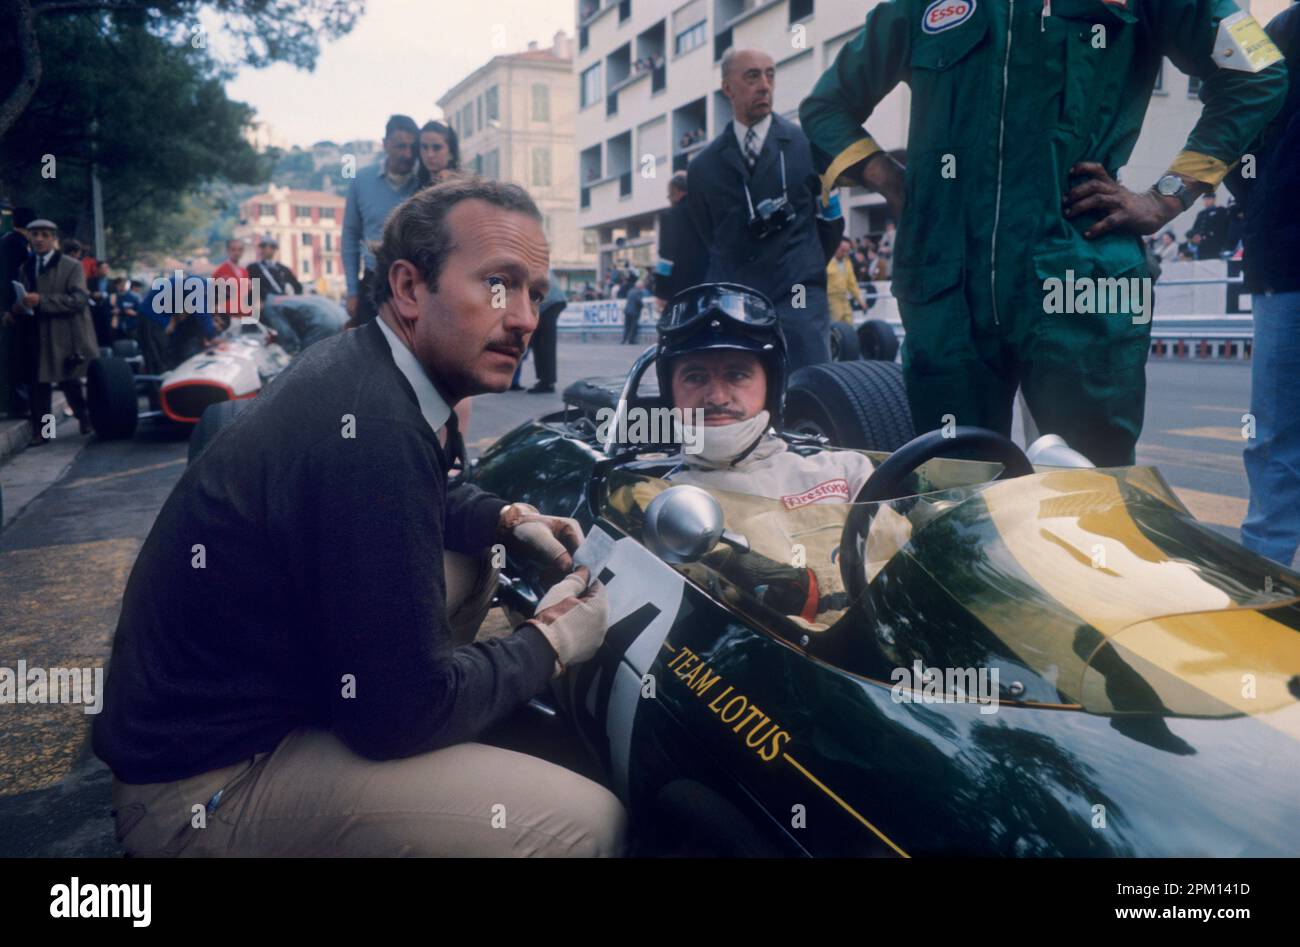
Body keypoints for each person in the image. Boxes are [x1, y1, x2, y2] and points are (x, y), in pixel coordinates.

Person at [92, 177, 623, 858]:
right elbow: (394, 717)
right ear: (408, 288)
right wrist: (550, 641)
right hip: (200, 792)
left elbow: (427, 498)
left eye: (536, 293)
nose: (523, 317)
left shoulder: (364, 368)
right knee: (589, 823)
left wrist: (508, 516)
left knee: (478, 553)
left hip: (235, 718)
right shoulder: (374, 428)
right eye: (499, 284)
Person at [800, 0, 1286, 466]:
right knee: (949, 487)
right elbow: (825, 107)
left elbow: (1257, 69)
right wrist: (890, 180)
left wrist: (1166, 195)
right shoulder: (918, 5)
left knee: (1090, 494)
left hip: (1085, 274)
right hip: (944, 280)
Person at [656, 282, 874, 628]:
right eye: (695, 377)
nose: (716, 397)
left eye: (737, 374)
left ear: (771, 386)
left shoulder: (847, 471)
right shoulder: (656, 502)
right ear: (671, 393)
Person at [683, 47, 841, 371]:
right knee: (743, 400)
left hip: (799, 295)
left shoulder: (808, 147)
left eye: (770, 74)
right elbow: (705, 234)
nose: (765, 85)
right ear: (728, 88)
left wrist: (802, 266)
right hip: (734, 300)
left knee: (810, 391)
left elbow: (831, 223)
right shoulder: (703, 167)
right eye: (752, 75)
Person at [1236, 0, 1300, 567]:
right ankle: (1264, 588)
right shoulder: (1278, 31)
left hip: (1284, 258)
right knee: (1276, 438)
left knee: (1276, 436)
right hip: (1289, 261)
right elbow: (1236, 123)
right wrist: (1265, 205)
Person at [10, 219, 97, 443]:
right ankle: (44, 432)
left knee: (70, 383)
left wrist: (43, 300)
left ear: (53, 239)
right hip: (34, 334)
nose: (38, 239)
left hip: (63, 335)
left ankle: (84, 417)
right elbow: (26, 298)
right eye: (34, 234)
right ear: (28, 237)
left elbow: (79, 300)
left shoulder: (71, 266)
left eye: (44, 235)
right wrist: (20, 305)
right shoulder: (25, 267)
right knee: (39, 389)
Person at [343, 115, 420, 329]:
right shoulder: (361, 181)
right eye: (400, 146)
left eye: (412, 147)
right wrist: (352, 292)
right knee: (369, 356)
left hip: (414, 284)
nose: (407, 154)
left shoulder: (426, 182)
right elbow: (350, 236)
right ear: (385, 144)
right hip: (372, 282)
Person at [1, 206, 35, 419]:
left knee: (10, 356)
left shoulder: (5, 241)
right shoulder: (20, 247)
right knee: (20, 357)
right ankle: (20, 405)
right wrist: (8, 308)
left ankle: (13, 404)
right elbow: (10, 281)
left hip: (8, 308)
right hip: (16, 309)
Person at [652, 171, 702, 308]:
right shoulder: (706, 212)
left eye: (670, 195)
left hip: (680, 288)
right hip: (706, 284)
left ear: (677, 192)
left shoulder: (670, 216)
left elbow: (666, 257)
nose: (669, 200)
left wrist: (661, 293)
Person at [528, 270, 566, 394]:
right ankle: (546, 380)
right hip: (553, 300)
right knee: (540, 341)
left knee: (543, 342)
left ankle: (547, 382)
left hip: (549, 302)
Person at [247, 236, 303, 310]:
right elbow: (252, 289)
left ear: (274, 249)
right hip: (263, 307)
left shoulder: (283, 269)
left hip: (281, 305)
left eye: (265, 247)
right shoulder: (253, 268)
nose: (262, 250)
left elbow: (298, 287)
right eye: (262, 247)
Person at [211, 238, 252, 328]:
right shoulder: (220, 271)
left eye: (239, 250)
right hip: (228, 318)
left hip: (244, 317)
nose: (236, 252)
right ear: (227, 251)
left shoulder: (244, 271)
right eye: (233, 249)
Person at [826, 237, 863, 324]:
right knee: (836, 325)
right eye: (843, 250)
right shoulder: (826, 261)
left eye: (847, 251)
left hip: (844, 298)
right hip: (830, 300)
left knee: (849, 322)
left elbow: (852, 284)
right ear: (836, 248)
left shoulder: (847, 263)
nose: (845, 253)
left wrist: (860, 301)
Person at [1185, 192, 1231, 259]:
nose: (1206, 201)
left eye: (1209, 199)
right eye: (1205, 199)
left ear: (1214, 200)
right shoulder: (1201, 213)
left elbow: (1224, 228)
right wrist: (1195, 235)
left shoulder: (1220, 210)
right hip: (1202, 245)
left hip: (1216, 244)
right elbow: (1196, 227)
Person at [416, 119, 461, 188]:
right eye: (425, 147)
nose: (430, 154)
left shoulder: (462, 185)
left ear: (450, 151)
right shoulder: (412, 185)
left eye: (437, 148)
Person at [88, 259, 114, 348]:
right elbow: (86, 293)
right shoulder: (90, 281)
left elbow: (115, 296)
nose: (105, 270)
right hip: (95, 312)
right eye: (102, 268)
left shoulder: (112, 282)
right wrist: (92, 294)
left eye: (106, 268)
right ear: (97, 269)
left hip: (109, 313)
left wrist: (105, 295)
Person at [622, 277, 646, 344]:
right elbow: (638, 300)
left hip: (627, 311)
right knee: (633, 326)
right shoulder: (639, 292)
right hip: (634, 311)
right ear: (640, 286)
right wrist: (643, 305)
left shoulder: (630, 291)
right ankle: (631, 340)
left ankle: (624, 339)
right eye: (642, 286)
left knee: (627, 326)